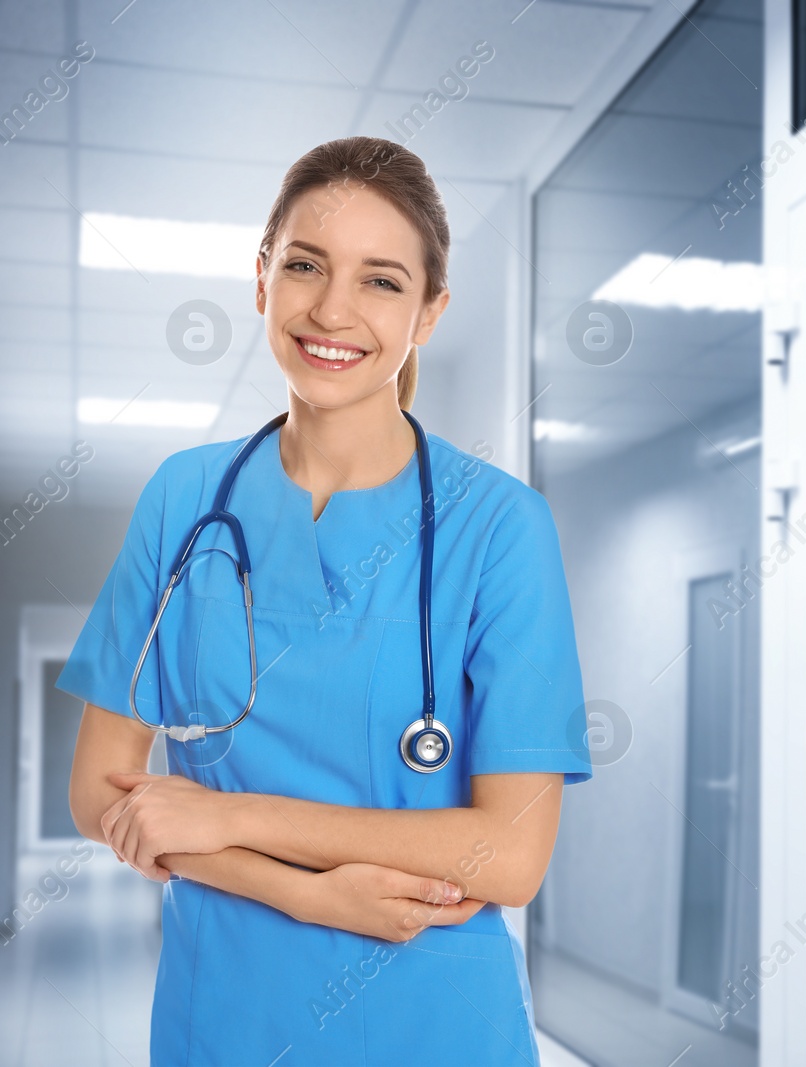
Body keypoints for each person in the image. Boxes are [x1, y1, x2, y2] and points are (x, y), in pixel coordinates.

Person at [57, 135, 591, 1066]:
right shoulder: (186, 498)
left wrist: (229, 816)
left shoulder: (502, 526)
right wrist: (308, 893)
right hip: (223, 1006)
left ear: (430, 312)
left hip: (429, 1015)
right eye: (306, 265)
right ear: (262, 278)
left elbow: (509, 854)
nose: (333, 308)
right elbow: (99, 792)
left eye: (383, 280)